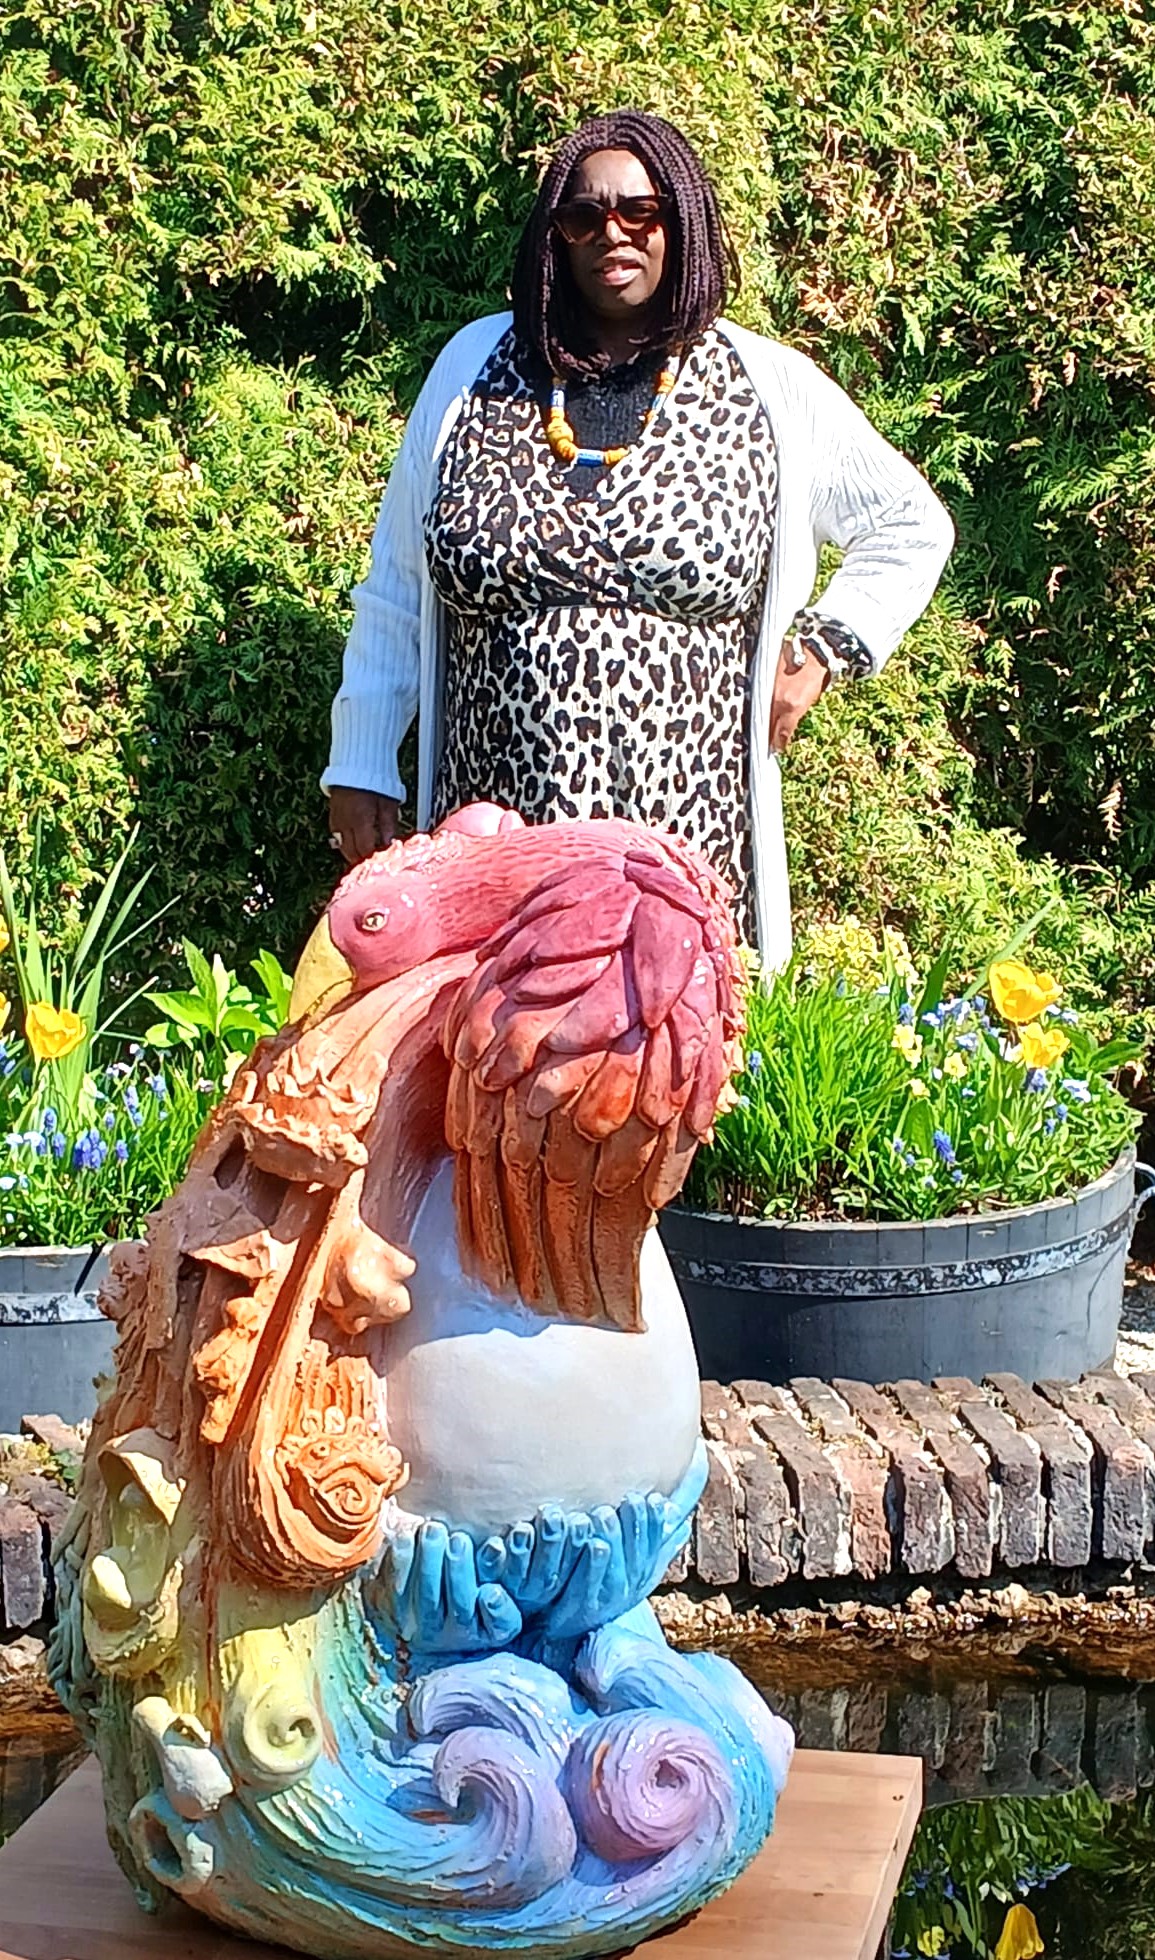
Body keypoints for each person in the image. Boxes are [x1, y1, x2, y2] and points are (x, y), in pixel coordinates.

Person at [323, 109, 953, 964]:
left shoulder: (766, 384)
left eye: (639, 211)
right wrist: (361, 762)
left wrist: (826, 646)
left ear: (680, 221)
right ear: (554, 237)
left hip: (688, 838)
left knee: (669, 1035)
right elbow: (398, 583)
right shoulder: (474, 371)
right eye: (582, 216)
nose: (611, 234)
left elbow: (909, 523)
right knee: (492, 1037)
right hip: (493, 835)